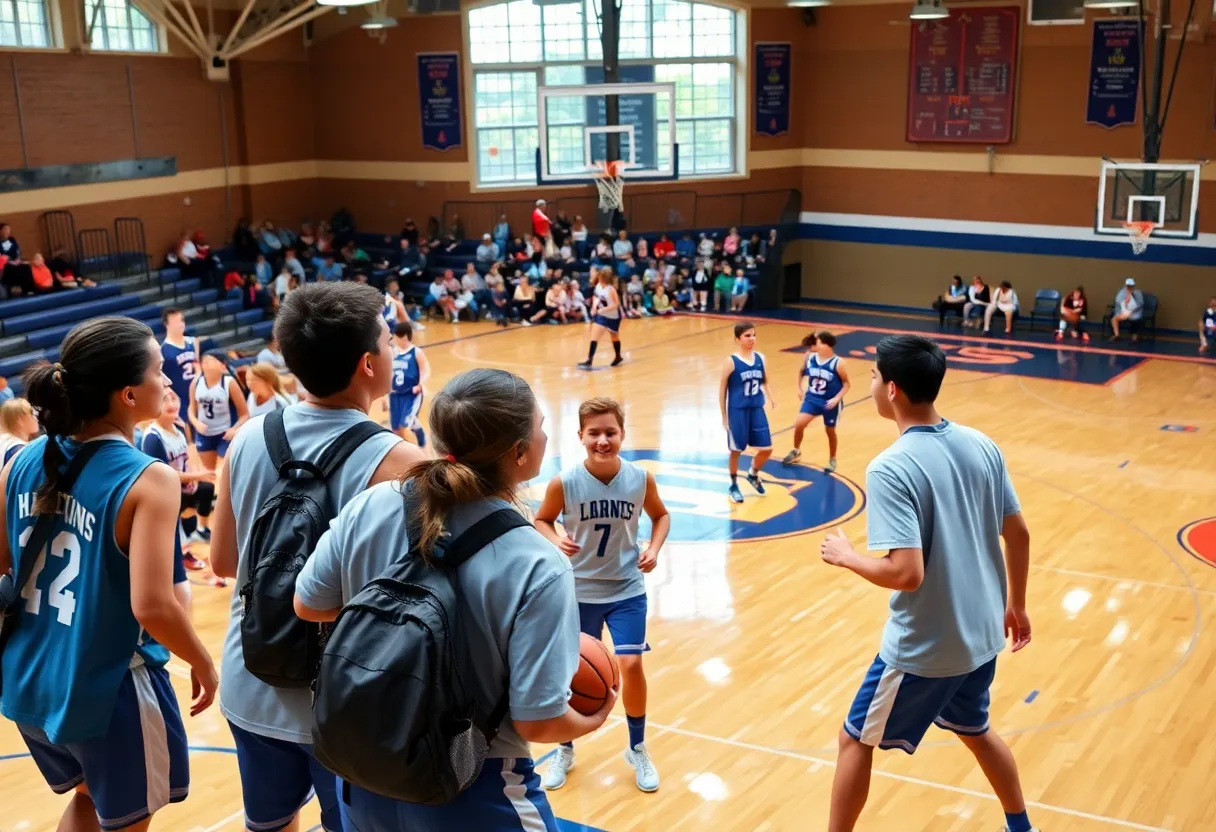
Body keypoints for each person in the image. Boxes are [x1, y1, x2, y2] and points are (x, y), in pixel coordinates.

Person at [293, 368, 616, 831]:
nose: (546, 434)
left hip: (365, 765)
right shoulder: (538, 563)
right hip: (473, 781)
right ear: (521, 453)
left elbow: (308, 604)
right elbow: (538, 723)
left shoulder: (372, 503)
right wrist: (595, 718)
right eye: (540, 426)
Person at [208, 283, 422, 832]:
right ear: (368, 365)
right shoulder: (404, 464)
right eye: (388, 341)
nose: (395, 349)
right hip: (346, 702)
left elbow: (225, 561)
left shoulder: (247, 437)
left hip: (251, 677)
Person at [0, 317, 218, 831]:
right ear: (126, 394)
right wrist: (203, 662)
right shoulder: (149, 477)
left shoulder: (20, 461)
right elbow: (152, 605)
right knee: (126, 820)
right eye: (159, 372)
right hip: (106, 686)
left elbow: (2, 565)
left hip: (29, 679)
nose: (167, 383)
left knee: (87, 800)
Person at [818, 334, 1035, 832]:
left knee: (854, 739)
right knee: (976, 730)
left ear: (891, 389)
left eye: (872, 376)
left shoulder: (891, 467)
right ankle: (1022, 826)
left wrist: (849, 557)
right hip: (982, 634)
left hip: (928, 647)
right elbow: (1018, 533)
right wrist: (1016, 605)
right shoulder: (982, 443)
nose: (869, 384)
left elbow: (906, 573)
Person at [534, 397, 670, 794]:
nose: (603, 440)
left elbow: (661, 516)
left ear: (622, 434)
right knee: (570, 673)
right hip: (578, 590)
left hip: (627, 587)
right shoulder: (565, 482)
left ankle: (638, 747)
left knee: (629, 664)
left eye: (610, 432)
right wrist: (556, 538)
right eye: (594, 433)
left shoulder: (640, 479)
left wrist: (654, 550)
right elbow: (540, 519)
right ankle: (564, 746)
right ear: (580, 436)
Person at [141, 388, 217, 604]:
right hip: (162, 491)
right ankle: (179, 558)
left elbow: (183, 461)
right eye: (165, 400)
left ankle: (198, 533)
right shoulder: (153, 438)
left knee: (206, 490)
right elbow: (161, 473)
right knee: (174, 530)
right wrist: (195, 475)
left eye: (173, 398)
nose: (171, 403)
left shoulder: (178, 429)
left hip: (180, 487)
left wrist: (193, 476)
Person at [719, 322, 775, 504]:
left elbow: (764, 380)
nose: (752, 339)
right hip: (738, 411)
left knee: (767, 448)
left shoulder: (761, 358)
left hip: (757, 408)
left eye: (753, 335)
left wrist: (771, 396)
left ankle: (753, 474)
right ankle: (734, 485)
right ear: (737, 339)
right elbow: (722, 389)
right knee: (736, 450)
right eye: (747, 336)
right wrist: (724, 416)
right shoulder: (731, 361)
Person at [783, 331, 850, 472]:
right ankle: (796, 451)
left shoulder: (838, 363)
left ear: (827, 345)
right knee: (799, 424)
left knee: (830, 431)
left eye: (819, 342)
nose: (815, 345)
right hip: (812, 398)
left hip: (829, 402)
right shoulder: (810, 357)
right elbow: (801, 372)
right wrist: (799, 388)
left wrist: (836, 398)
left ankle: (832, 459)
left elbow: (846, 384)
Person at [188, 351, 248, 469]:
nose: (206, 362)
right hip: (204, 434)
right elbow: (191, 410)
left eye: (210, 360)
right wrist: (196, 423)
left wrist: (234, 429)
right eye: (204, 361)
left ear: (222, 365)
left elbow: (245, 414)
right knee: (210, 473)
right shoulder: (196, 382)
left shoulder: (229, 383)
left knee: (222, 471)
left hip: (224, 434)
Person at [387, 320, 431, 447]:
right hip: (395, 394)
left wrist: (420, 384)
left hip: (411, 393)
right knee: (395, 429)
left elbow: (425, 370)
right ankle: (408, 444)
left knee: (405, 423)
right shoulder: (394, 352)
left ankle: (416, 443)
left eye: (396, 335)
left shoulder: (416, 351)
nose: (394, 338)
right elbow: (390, 373)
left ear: (404, 336)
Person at [579, 269, 624, 369]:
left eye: (600, 277)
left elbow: (616, 304)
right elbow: (596, 297)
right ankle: (589, 360)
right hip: (602, 316)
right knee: (594, 336)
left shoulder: (611, 289)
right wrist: (594, 307)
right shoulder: (598, 286)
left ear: (605, 278)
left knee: (614, 337)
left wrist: (604, 309)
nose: (598, 278)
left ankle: (618, 356)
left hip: (613, 316)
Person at [160, 308, 199, 417]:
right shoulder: (163, 349)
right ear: (166, 325)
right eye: (176, 322)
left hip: (198, 394)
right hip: (180, 399)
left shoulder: (193, 341)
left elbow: (198, 367)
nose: (180, 324)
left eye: (182, 320)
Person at [0, 398, 38, 464]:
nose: (36, 418)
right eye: (31, 413)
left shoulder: (4, 441)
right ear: (19, 419)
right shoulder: (19, 450)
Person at [1109, 277, 1144, 342]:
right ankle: (1116, 335)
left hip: (1134, 312)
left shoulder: (1138, 293)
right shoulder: (1122, 292)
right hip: (1123, 312)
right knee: (1114, 319)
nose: (1129, 287)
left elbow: (1140, 303)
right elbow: (1118, 301)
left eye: (1131, 286)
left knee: (1136, 319)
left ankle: (1134, 337)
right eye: (1128, 286)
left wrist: (1132, 309)